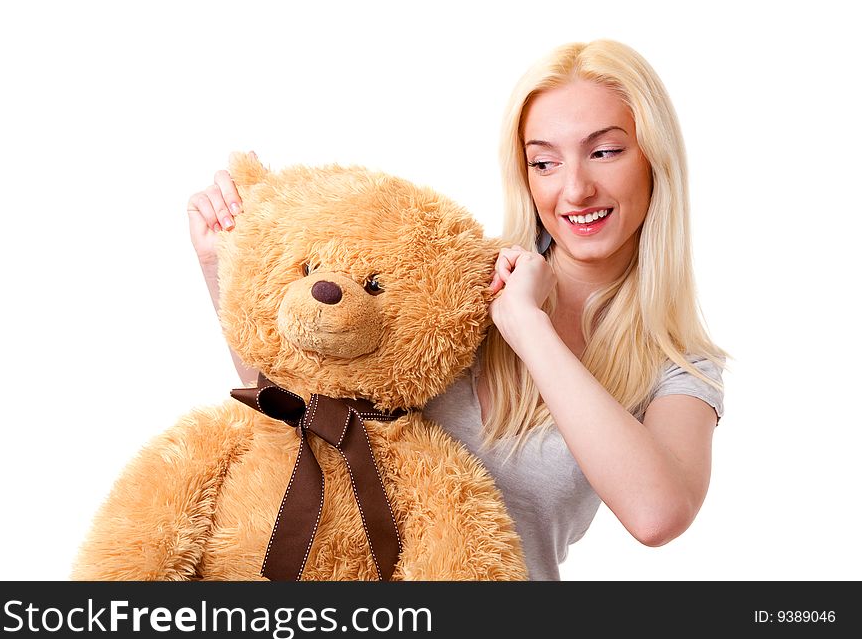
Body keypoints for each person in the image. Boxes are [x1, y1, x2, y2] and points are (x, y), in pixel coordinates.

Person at [186, 39, 727, 581]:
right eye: (544, 161)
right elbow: (304, 401)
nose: (575, 189)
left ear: (654, 157)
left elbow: (657, 515)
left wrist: (527, 327)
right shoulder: (460, 277)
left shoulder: (679, 365)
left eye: (605, 152)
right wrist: (218, 263)